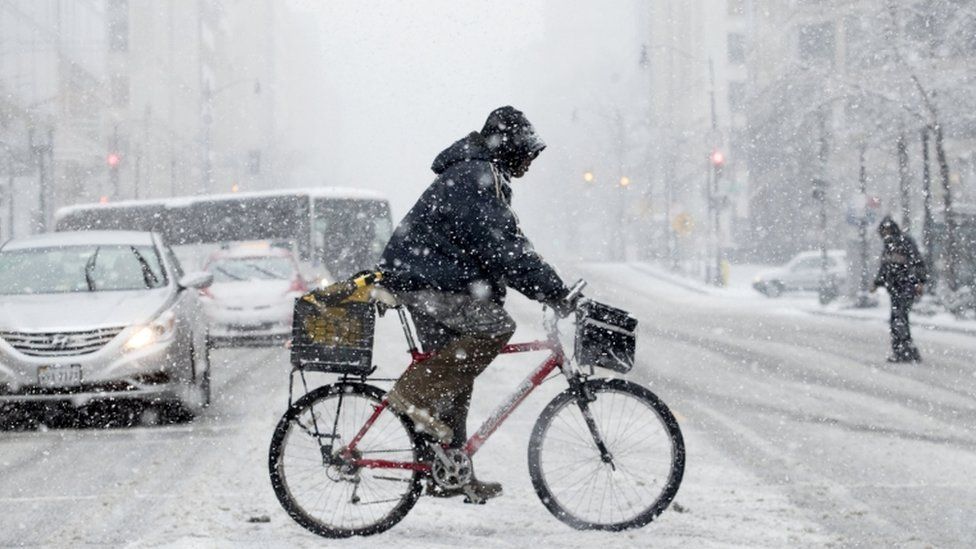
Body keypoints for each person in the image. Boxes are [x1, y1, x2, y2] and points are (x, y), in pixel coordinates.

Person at [378, 106, 573, 500]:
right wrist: (553, 291)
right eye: (528, 155)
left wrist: (546, 285)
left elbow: (506, 245)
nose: (531, 164)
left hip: (432, 279)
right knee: (496, 327)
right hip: (426, 282)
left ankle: (449, 471)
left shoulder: (484, 172)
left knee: (456, 377)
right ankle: (410, 395)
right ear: (510, 147)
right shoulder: (474, 176)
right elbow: (504, 249)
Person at [871, 216, 927, 362]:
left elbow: (917, 261)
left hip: (906, 286)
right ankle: (904, 350)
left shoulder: (905, 242)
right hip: (895, 288)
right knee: (898, 319)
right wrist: (877, 282)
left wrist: (919, 281)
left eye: (886, 230)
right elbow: (885, 267)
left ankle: (905, 350)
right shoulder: (889, 245)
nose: (884, 234)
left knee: (899, 318)